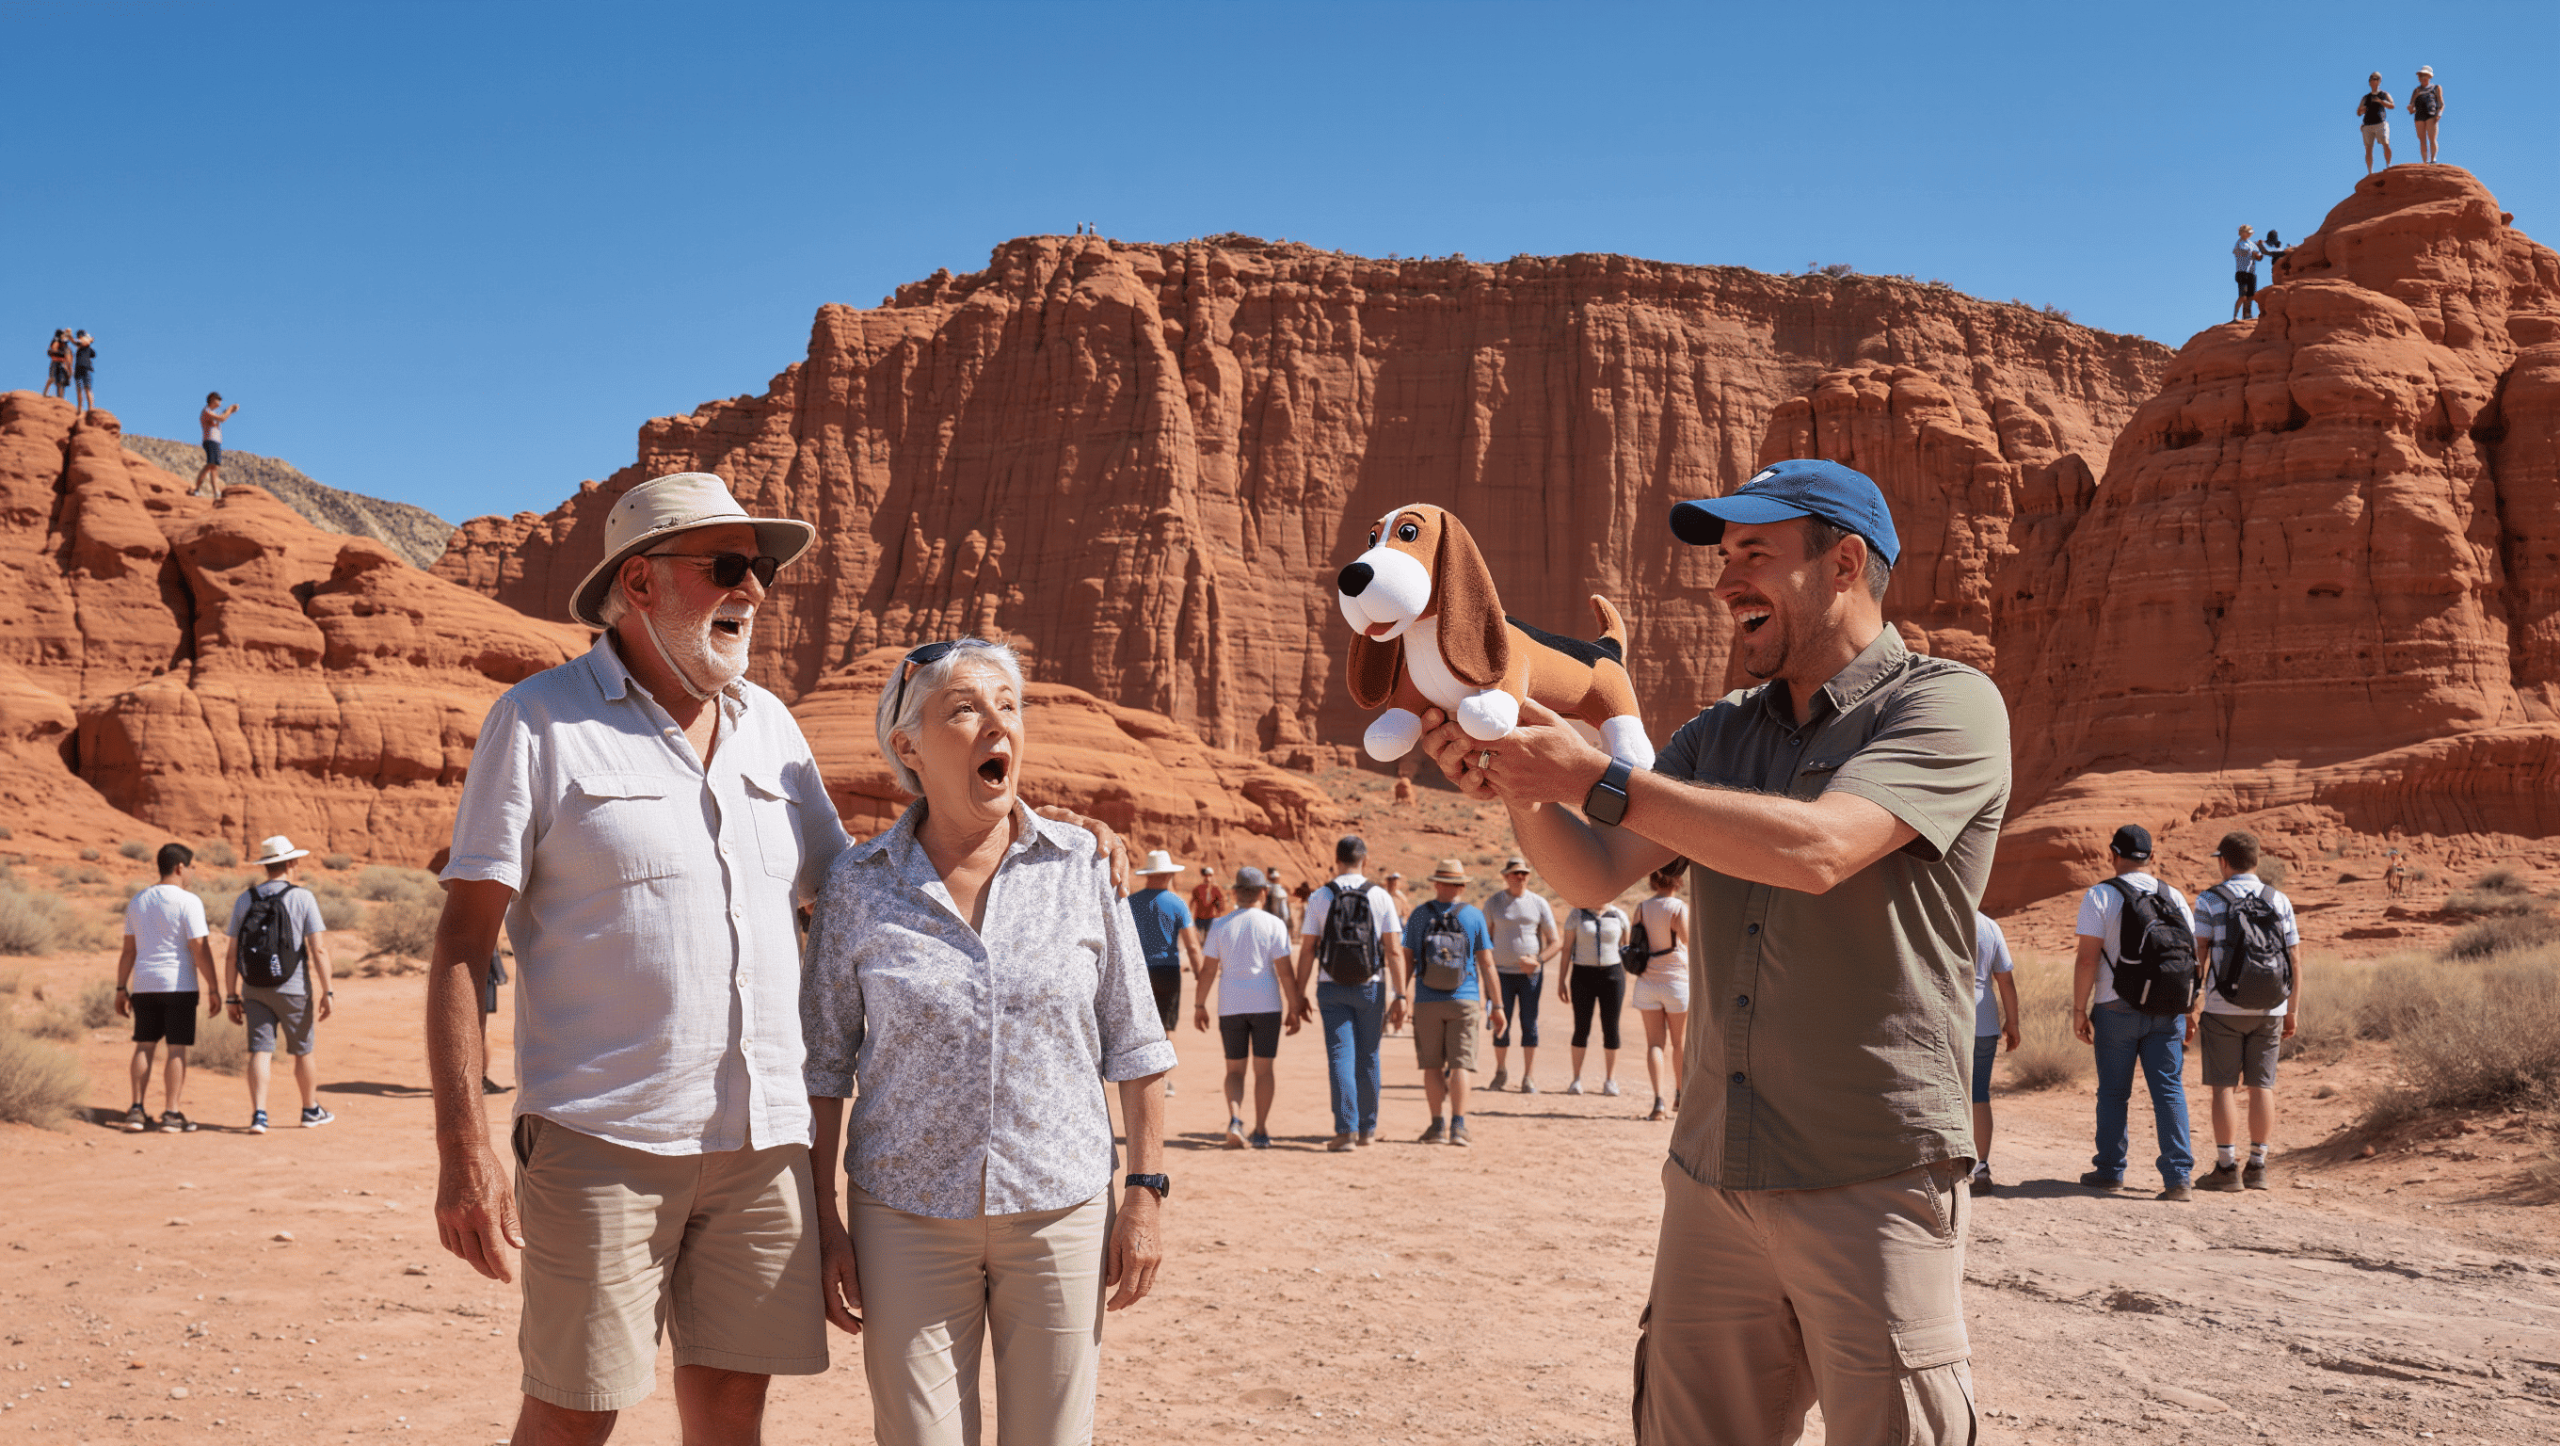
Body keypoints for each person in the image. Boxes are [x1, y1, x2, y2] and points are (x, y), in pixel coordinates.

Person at [1419, 456, 2010, 1441]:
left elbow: (1822, 850)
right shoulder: (1720, 732)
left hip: (1872, 1174)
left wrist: (1594, 776)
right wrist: (1522, 781)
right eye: (1722, 553)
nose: (1723, 578)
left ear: (1843, 565)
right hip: (1712, 1180)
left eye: (1753, 553)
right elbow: (1596, 872)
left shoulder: (1944, 704)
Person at [429, 472, 857, 1444]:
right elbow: (462, 943)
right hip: (601, 1145)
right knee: (576, 1413)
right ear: (640, 583)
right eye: (729, 566)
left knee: (733, 1412)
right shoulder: (539, 721)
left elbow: (847, 894)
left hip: (763, 1146)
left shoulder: (773, 728)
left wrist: (1014, 839)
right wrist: (463, 1149)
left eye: (762, 569)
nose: (754, 590)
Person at [801, 637, 1175, 1446]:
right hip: (903, 1214)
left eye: (1009, 705)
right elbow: (822, 1067)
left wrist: (1143, 1195)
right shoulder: (859, 885)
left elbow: (1137, 1046)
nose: (995, 723)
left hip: (1059, 1207)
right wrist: (823, 1219)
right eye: (964, 707)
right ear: (907, 746)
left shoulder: (1082, 868)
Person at [2072, 823, 2197, 1201]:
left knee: (2113, 1093)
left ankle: (2110, 1171)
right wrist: (2189, 1011)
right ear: (2152, 858)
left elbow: (2087, 958)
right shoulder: (2173, 894)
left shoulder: (2100, 895)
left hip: (2115, 1007)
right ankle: (2178, 1179)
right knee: (2170, 1091)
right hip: (2168, 1008)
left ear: (2113, 854)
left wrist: (2079, 1009)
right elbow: (2190, 959)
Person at [2190, 830, 2302, 1192]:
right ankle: (2258, 1165)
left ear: (2223, 861)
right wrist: (2292, 1011)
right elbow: (2294, 959)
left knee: (2224, 1088)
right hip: (2272, 1006)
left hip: (2223, 1005)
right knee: (2261, 1085)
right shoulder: (2279, 900)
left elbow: (2199, 957)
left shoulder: (2209, 899)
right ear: (2256, 861)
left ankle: (2226, 1168)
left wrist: (2189, 1005)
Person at [1292, 835, 1405, 1152]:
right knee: (1368, 1056)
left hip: (1330, 985)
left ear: (1336, 860)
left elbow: (1308, 950)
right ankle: (1367, 1129)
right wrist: (1401, 994)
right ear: (1364, 861)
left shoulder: (1320, 896)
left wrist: (1299, 993)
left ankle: (1345, 1131)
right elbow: (1394, 951)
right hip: (1371, 985)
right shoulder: (1380, 896)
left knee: (1340, 1055)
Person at [223, 835, 336, 1135]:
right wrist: (328, 990)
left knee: (260, 1050)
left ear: (265, 866)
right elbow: (319, 949)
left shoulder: (245, 899)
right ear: (290, 863)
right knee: (302, 1050)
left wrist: (231, 996)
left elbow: (231, 952)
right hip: (294, 988)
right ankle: (310, 1109)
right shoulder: (302, 897)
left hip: (254, 988)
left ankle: (259, 1115)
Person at [114, 843, 219, 1133]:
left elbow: (128, 951)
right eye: (193, 866)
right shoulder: (189, 901)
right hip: (179, 984)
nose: (194, 872)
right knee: (176, 1049)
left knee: (144, 1044)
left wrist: (121, 988)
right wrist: (214, 987)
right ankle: (171, 1113)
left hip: (144, 983)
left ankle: (136, 1109)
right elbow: (199, 948)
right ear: (179, 867)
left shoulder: (137, 900)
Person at [1402, 859, 1505, 1146]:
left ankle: (1436, 1126)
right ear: (1461, 886)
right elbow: (1487, 964)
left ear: (1436, 883)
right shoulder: (1473, 916)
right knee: (1462, 1065)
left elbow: (1407, 959)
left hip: (1426, 1000)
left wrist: (1401, 995)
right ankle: (1458, 1127)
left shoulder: (1419, 915)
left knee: (1432, 1066)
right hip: (1465, 999)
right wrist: (1497, 1006)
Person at [1195, 866, 1298, 1149]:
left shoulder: (1220, 925)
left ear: (1237, 893)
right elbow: (1286, 973)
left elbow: (1207, 971)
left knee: (1234, 1070)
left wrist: (1199, 1004)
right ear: (1263, 893)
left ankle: (1235, 1120)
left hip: (1231, 1005)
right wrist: (1294, 1006)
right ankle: (1262, 1129)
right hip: (1267, 1004)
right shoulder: (1274, 924)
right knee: (1264, 1070)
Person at [1482, 857, 1558, 1092]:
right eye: (1515, 873)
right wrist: (1487, 968)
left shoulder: (1538, 903)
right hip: (1500, 975)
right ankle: (1500, 1071)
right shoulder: (1494, 903)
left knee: (1529, 1023)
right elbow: (1484, 939)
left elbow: (1555, 941)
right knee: (1500, 1022)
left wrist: (1537, 961)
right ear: (1505, 876)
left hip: (1530, 977)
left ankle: (1528, 1077)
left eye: (1524, 873)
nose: (1521, 877)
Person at [1130, 849, 1202, 1096]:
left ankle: (1140, 1079)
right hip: (1168, 971)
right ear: (1169, 874)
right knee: (1164, 1026)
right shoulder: (1176, 903)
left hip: (1138, 972)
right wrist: (1202, 975)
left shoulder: (1130, 902)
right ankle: (1162, 1080)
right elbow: (1192, 945)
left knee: (1140, 1025)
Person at [1631, 859, 1691, 1121]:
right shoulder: (1677, 907)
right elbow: (1688, 941)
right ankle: (1680, 1094)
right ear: (1677, 880)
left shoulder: (1642, 908)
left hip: (1647, 982)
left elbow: (1633, 942)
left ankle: (1658, 1102)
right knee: (1679, 1043)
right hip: (1675, 981)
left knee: (1655, 1043)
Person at [1967, 910, 2020, 1192]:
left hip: (1946, 1018)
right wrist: (2013, 1023)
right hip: (1984, 1020)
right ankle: (1980, 1167)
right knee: (1978, 1094)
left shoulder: (1936, 913)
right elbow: (2005, 981)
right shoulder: (1989, 925)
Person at [1561, 899, 1631, 1096]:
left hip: (1613, 976)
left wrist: (1627, 978)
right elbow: (1566, 949)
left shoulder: (1619, 916)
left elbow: (1626, 948)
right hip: (1582, 975)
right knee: (1581, 1026)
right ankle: (1575, 1079)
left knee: (1611, 1027)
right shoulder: (1577, 914)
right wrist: (1561, 980)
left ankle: (1610, 1080)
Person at [195, 393, 238, 498]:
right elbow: (222, 418)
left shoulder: (212, 412)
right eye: (218, 399)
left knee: (213, 466)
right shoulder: (206, 411)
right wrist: (230, 410)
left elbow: (221, 417)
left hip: (215, 441)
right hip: (210, 440)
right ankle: (199, 489)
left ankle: (215, 492)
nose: (220, 401)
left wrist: (228, 411)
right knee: (211, 465)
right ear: (212, 399)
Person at [2358, 72, 2396, 174]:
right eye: (2371, 79)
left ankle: (2388, 165)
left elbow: (2392, 105)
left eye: (2375, 79)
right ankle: (2370, 172)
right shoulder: (2366, 97)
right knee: (2368, 149)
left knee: (2385, 143)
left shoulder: (2384, 94)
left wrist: (2381, 102)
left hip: (2380, 123)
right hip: (2367, 124)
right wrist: (2362, 109)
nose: (2373, 81)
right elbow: (2358, 112)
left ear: (2379, 81)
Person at [2411, 65, 2444, 163]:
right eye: (2421, 76)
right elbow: (2411, 106)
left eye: (2424, 75)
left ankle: (2433, 159)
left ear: (2429, 77)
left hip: (2431, 114)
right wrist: (2410, 108)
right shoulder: (2416, 90)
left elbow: (2441, 103)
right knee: (2422, 140)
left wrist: (2439, 114)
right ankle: (2425, 162)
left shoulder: (2436, 88)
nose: (2422, 78)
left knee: (2432, 138)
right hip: (2419, 116)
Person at [2232, 225, 2265, 322]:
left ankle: (2247, 315)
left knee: (2250, 296)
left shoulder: (2252, 244)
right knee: (2243, 296)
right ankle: (2235, 316)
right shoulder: (2239, 243)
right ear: (2243, 233)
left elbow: (2259, 258)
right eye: (2248, 232)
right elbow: (2244, 252)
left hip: (2251, 272)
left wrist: (2261, 249)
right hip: (2242, 272)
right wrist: (2256, 251)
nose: (2250, 234)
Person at [1263, 865, 1293, 931]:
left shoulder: (1271, 882)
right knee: (1282, 916)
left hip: (1277, 897)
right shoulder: (1270, 884)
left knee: (1281, 916)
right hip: (1277, 897)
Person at [71, 330, 95, 411]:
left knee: (84, 388)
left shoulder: (85, 345)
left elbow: (93, 354)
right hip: (81, 368)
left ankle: (87, 408)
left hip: (82, 368)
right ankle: (83, 408)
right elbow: (93, 354)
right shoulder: (83, 346)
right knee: (82, 388)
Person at [43, 330, 71, 399]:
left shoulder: (63, 343)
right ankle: (45, 392)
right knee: (52, 378)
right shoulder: (56, 341)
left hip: (61, 363)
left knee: (61, 382)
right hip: (55, 362)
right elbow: (53, 350)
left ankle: (60, 398)